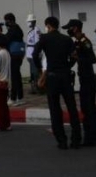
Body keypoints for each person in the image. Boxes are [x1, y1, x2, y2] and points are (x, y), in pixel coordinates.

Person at [33, 16, 81, 150]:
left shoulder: (44, 38)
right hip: (65, 76)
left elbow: (35, 54)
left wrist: (39, 70)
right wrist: (68, 66)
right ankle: (76, 139)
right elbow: (74, 56)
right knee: (71, 107)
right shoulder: (66, 39)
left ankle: (62, 140)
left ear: (48, 26)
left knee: (55, 108)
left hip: (52, 76)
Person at [65, 19, 96, 146]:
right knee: (88, 108)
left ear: (75, 28)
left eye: (69, 28)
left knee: (88, 108)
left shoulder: (85, 42)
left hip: (88, 79)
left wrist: (78, 57)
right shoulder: (77, 42)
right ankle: (95, 137)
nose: (68, 31)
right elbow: (74, 60)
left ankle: (91, 138)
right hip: (83, 78)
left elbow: (92, 59)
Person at [2, 13, 25, 105]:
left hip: (14, 55)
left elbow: (5, 40)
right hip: (18, 55)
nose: (5, 23)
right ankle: (20, 97)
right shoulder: (18, 28)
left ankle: (13, 98)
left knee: (14, 77)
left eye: (6, 21)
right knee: (17, 76)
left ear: (10, 21)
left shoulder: (13, 30)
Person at [25, 14, 42, 95]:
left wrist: (37, 53)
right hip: (29, 53)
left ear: (33, 22)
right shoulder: (30, 31)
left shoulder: (36, 30)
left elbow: (37, 43)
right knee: (32, 72)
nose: (28, 23)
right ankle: (33, 88)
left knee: (36, 72)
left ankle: (38, 88)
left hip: (34, 53)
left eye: (30, 21)